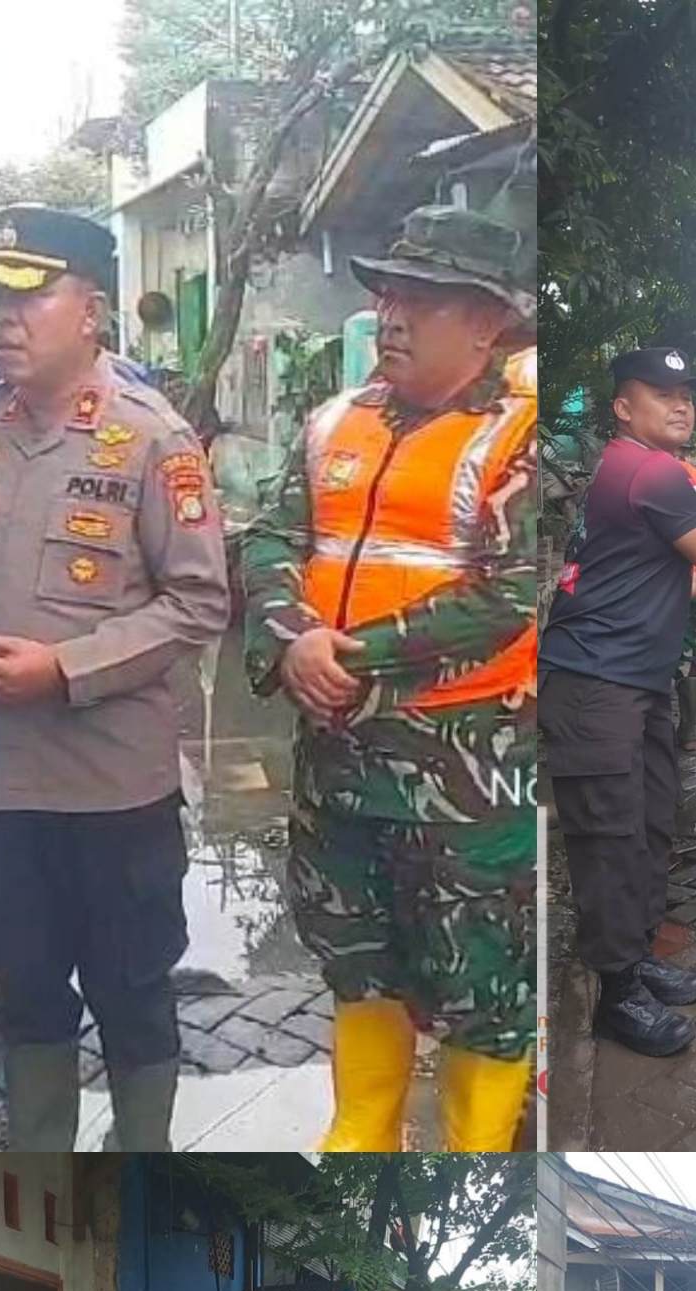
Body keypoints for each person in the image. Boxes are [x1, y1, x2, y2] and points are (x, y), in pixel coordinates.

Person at [0, 205, 231, 1152]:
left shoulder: (152, 440)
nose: (4, 320)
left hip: (111, 788)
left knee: (131, 989)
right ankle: (39, 1149)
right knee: (24, 983)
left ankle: (143, 1160)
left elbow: (200, 604)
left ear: (91, 311)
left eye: (29, 296)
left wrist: (65, 669)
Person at [242, 207, 537, 1155]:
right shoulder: (334, 420)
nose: (391, 316)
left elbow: (512, 594)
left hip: (466, 776)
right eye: (387, 294)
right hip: (338, 761)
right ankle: (359, 1140)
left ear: (486, 323)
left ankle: (476, 1157)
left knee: (483, 985)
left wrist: (344, 656)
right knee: (356, 963)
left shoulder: (523, 435)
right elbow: (273, 538)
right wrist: (291, 638)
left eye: (421, 299)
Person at [540, 346, 696, 1057]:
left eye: (685, 393)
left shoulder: (632, 472)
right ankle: (614, 993)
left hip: (635, 683)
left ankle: (637, 953)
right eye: (661, 394)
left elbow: (675, 582)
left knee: (651, 824)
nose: (679, 404)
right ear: (624, 408)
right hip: (598, 687)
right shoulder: (650, 471)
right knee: (610, 840)